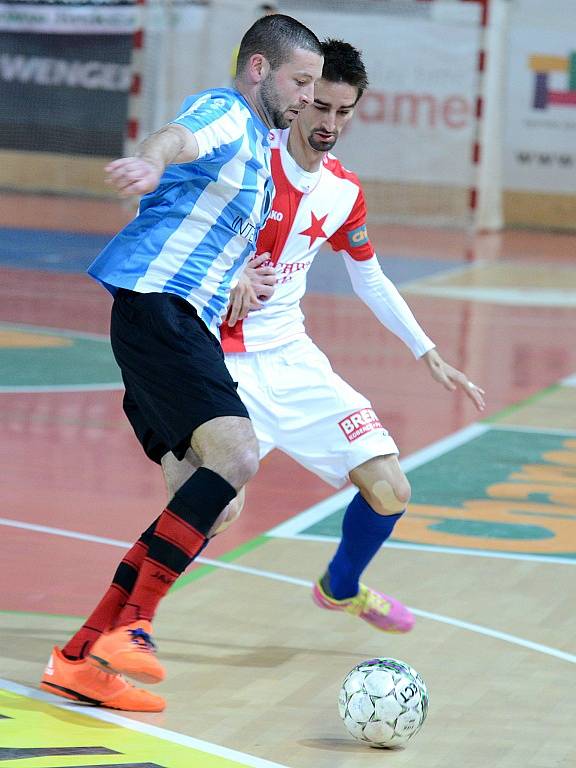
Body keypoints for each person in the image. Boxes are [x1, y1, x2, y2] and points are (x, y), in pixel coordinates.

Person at [39, 14, 323, 713]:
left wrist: (237, 279)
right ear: (260, 68)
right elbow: (181, 136)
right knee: (238, 452)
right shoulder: (227, 110)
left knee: (214, 503)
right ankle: (134, 627)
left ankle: (80, 656)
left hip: (172, 314)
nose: (307, 98)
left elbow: (205, 225)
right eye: (300, 81)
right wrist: (154, 159)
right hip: (157, 305)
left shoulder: (259, 154)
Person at [163, 38, 486, 634]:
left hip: (292, 359)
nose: (330, 124)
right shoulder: (246, 162)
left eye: (344, 112)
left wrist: (428, 352)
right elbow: (170, 225)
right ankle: (128, 620)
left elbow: (370, 277)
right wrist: (226, 272)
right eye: (321, 108)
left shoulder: (342, 191)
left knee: (390, 489)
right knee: (216, 511)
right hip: (220, 361)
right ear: (299, 99)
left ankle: (340, 588)